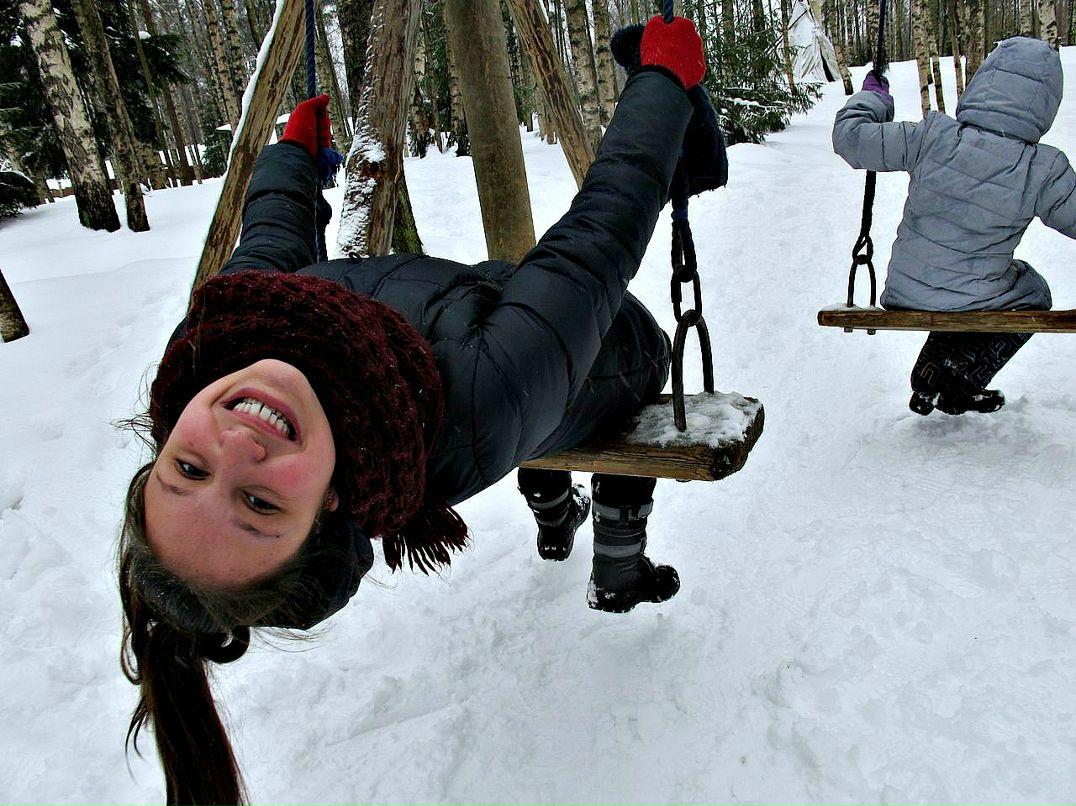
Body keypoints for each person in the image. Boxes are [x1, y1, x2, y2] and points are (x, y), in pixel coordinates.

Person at [119, 16, 721, 805]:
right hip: (602, 356)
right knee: (605, 391)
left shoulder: (223, 338)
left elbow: (268, 238)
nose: (234, 447)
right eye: (260, 503)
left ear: (167, 440)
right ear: (327, 508)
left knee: (528, 400)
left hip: (504, 341)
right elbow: (596, 240)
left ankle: (552, 511)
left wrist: (291, 155)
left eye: (189, 468)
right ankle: (618, 562)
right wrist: (663, 85)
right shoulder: (475, 401)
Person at [832, 36, 1076, 416]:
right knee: (1031, 291)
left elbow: (850, 138)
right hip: (973, 296)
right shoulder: (1041, 168)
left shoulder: (933, 136)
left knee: (968, 288)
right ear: (1046, 103)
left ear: (984, 81)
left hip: (906, 290)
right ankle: (963, 377)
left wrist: (873, 98)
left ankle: (929, 379)